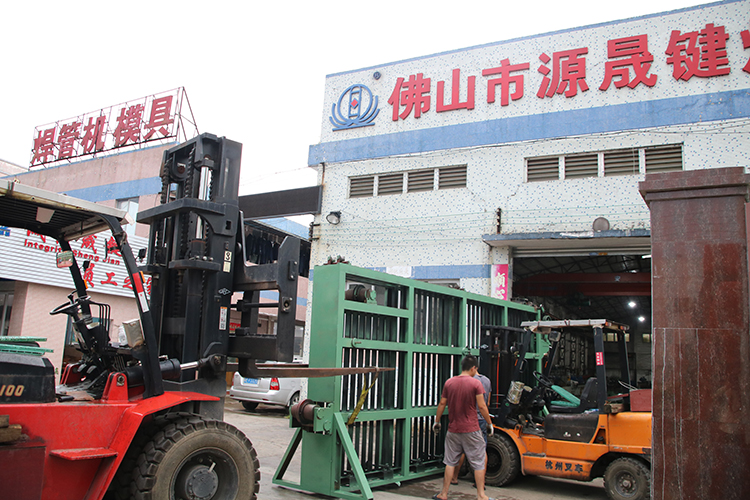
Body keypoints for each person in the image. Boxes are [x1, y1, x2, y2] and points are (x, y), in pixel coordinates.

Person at [432, 355, 494, 500]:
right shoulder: (476, 383)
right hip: (471, 429)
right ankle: (481, 495)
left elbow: (442, 403)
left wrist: (437, 421)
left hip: (453, 429)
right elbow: (482, 406)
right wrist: (489, 423)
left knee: (450, 462)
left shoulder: (449, 382)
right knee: (479, 462)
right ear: (473, 368)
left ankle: (444, 494)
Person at [451, 369, 491, 484]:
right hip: (482, 419)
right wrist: (489, 422)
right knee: (482, 451)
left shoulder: (468, 381)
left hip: (469, 419)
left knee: (462, 450)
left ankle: (454, 477)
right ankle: (480, 482)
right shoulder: (487, 381)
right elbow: (486, 403)